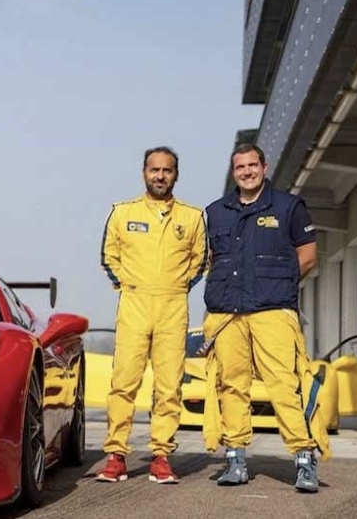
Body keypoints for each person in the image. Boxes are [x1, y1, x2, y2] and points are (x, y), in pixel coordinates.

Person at [202, 142, 326, 492]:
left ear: (264, 166)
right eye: (240, 167)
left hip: (272, 311)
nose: (247, 172)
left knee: (284, 385)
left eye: (252, 166)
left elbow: (308, 256)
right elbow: (210, 259)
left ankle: (304, 459)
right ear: (234, 170)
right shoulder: (215, 212)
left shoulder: (289, 207)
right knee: (231, 385)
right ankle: (235, 460)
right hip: (228, 315)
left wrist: (275, 287)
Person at [98, 146, 207, 484]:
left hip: (173, 306)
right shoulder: (122, 212)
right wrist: (128, 285)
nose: (160, 176)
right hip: (134, 303)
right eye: (154, 170)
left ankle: (161, 456)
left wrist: (176, 286)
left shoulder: (192, 216)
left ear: (176, 174)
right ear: (144, 172)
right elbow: (108, 255)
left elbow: (200, 259)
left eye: (167, 170)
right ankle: (116, 455)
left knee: (169, 385)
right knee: (123, 382)